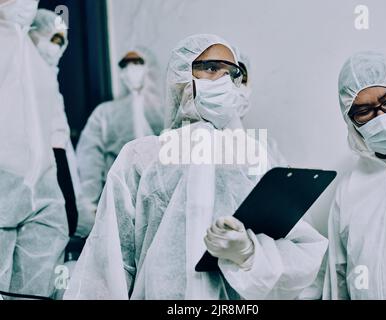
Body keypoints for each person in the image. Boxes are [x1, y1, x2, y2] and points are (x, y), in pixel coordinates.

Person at [64, 34, 327, 300]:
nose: (224, 81)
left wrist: (250, 253)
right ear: (180, 79)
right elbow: (108, 261)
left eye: (232, 74)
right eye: (212, 69)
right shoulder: (142, 156)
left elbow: (303, 249)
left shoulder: (251, 156)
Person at [323, 51, 386, 299]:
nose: (380, 117)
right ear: (351, 122)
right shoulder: (349, 188)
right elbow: (337, 276)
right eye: (364, 111)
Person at [0, 0, 68, 298]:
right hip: (6, 183)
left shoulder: (36, 64)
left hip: (42, 193)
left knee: (36, 291)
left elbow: (53, 133)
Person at [75, 47, 163, 237]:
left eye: (138, 62)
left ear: (150, 66)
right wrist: (89, 208)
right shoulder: (105, 114)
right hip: (118, 204)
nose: (131, 68)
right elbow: (89, 160)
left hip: (163, 202)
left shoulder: (167, 111)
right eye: (125, 64)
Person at [29, 9, 80, 236]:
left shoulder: (51, 78)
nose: (56, 47)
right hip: (33, 153)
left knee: (65, 220)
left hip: (56, 151)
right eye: (52, 38)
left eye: (61, 41)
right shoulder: (21, 75)